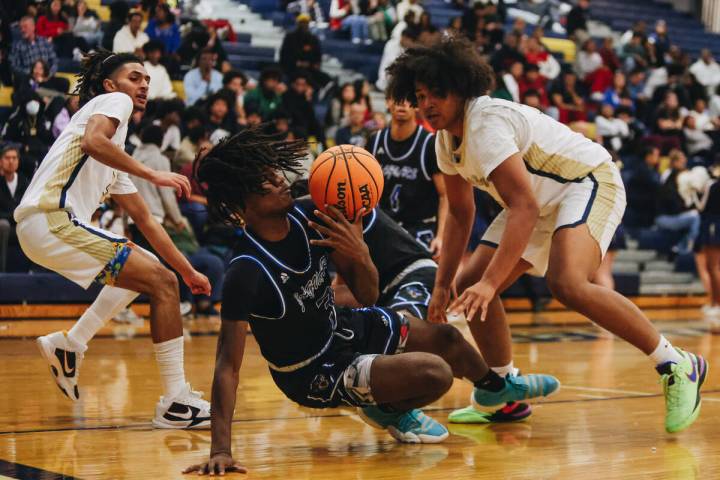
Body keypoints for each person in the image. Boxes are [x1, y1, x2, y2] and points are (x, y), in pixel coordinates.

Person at [183, 128, 557, 475]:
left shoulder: (312, 214)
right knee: (435, 373)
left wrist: (359, 253)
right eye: (264, 180)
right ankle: (384, 409)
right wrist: (220, 449)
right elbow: (227, 366)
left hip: (342, 328)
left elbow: (370, 295)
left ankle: (495, 388)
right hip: (312, 372)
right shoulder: (245, 270)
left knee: (447, 339)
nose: (280, 179)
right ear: (241, 202)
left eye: (275, 171)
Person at [386, 37, 709, 434]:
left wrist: (492, 283)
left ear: (461, 86)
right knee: (467, 283)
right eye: (420, 95)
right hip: (535, 201)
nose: (428, 104)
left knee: (567, 282)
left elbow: (523, 206)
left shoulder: (485, 123)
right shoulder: (442, 142)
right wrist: (442, 285)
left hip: (586, 181)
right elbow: (459, 213)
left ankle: (675, 362)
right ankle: (503, 390)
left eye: (437, 92)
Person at [13, 50, 212, 428]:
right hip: (50, 218)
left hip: (46, 226)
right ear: (110, 85)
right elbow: (93, 141)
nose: (143, 85)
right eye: (134, 77)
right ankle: (175, 402)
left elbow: (147, 222)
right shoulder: (110, 105)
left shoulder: (114, 152)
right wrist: (154, 175)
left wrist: (187, 272)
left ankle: (71, 344)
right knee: (160, 282)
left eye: (147, 80)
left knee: (152, 271)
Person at [368, 98, 446, 258]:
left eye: (407, 98)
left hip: (419, 228)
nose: (402, 103)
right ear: (388, 102)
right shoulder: (374, 141)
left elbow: (446, 196)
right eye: (396, 97)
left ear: (416, 105)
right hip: (384, 225)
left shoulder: (429, 144)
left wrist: (441, 237)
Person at [0, 147, 30, 272]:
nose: (11, 161)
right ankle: (2, 271)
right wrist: (13, 216)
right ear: (1, 161)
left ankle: (33, 269)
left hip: (21, 221)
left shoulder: (24, 181)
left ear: (18, 161)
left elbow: (29, 205)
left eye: (14, 158)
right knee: (3, 225)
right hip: (4, 222)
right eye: (7, 158)